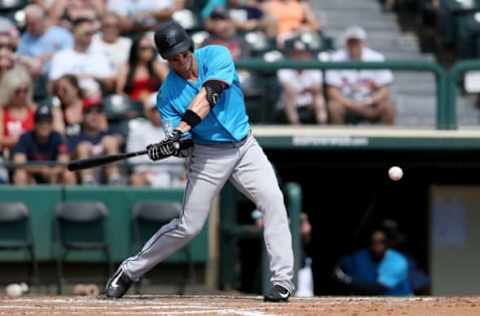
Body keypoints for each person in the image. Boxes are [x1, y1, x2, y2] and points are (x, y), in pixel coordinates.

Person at [104, 21, 295, 302]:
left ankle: (282, 281)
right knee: (188, 226)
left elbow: (210, 94)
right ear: (165, 59)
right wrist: (170, 146)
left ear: (191, 48)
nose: (180, 61)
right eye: (173, 58)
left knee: (274, 201)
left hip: (245, 146)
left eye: (183, 54)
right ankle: (129, 271)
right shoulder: (167, 95)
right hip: (208, 154)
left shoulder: (217, 55)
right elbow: (182, 146)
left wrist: (179, 131)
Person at [326, 26, 396, 125]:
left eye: (357, 42)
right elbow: (332, 91)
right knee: (334, 107)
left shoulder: (376, 58)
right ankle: (340, 139)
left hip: (370, 102)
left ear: (364, 43)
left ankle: (389, 139)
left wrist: (369, 101)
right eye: (351, 42)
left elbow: (385, 91)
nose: (354, 46)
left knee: (388, 107)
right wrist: (351, 104)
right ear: (346, 44)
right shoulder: (336, 58)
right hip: (346, 103)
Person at [334, 226, 412, 296]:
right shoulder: (361, 256)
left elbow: (379, 289)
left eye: (382, 241)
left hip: (400, 300)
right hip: (376, 302)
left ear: (388, 243)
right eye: (374, 242)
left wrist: (347, 279)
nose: (377, 245)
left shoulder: (397, 261)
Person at [49, 18, 116, 98]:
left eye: (92, 33)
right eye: (86, 33)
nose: (90, 36)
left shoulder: (101, 55)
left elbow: (110, 82)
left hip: (98, 99)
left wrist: (90, 77)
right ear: (75, 33)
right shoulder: (61, 56)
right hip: (70, 99)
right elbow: (54, 82)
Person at [127, 97, 186, 187]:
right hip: (148, 175)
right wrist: (147, 174)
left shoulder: (176, 130)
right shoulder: (138, 131)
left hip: (174, 174)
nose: (158, 113)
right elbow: (134, 160)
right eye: (155, 110)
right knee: (136, 179)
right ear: (148, 112)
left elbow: (180, 158)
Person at [12, 104, 75, 185]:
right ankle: (21, 197)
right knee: (20, 175)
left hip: (53, 175)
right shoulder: (25, 137)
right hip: (31, 175)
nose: (44, 125)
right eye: (40, 122)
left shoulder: (58, 137)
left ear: (52, 123)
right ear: (35, 123)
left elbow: (63, 162)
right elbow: (19, 163)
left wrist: (52, 172)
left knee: (68, 174)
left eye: (48, 122)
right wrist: (41, 169)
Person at [68, 102, 122, 185]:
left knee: (110, 141)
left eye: (98, 111)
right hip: (82, 180)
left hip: (106, 178)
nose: (94, 115)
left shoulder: (110, 133)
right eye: (89, 111)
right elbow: (70, 161)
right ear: (83, 116)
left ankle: (114, 180)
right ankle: (88, 182)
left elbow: (121, 140)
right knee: (83, 147)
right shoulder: (75, 138)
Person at [276, 37, 327, 125]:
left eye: (302, 53)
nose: (299, 57)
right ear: (291, 55)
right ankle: (296, 125)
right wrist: (307, 89)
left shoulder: (313, 66)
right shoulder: (285, 67)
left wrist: (302, 90)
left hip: (309, 103)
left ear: (307, 54)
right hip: (291, 103)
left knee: (318, 96)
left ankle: (322, 125)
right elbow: (288, 89)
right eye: (295, 54)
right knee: (287, 96)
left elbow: (317, 88)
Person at [17, 4, 74, 76]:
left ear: (42, 20)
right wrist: (30, 62)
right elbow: (19, 57)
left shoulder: (62, 35)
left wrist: (52, 56)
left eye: (33, 24)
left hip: (60, 77)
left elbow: (72, 56)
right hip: (34, 77)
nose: (29, 27)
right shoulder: (25, 38)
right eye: (27, 24)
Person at [115, 33, 168, 106]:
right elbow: (120, 92)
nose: (148, 51)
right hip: (133, 105)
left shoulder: (158, 66)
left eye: (150, 48)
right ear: (135, 50)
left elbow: (168, 86)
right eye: (143, 48)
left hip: (156, 103)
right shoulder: (126, 68)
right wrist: (136, 100)